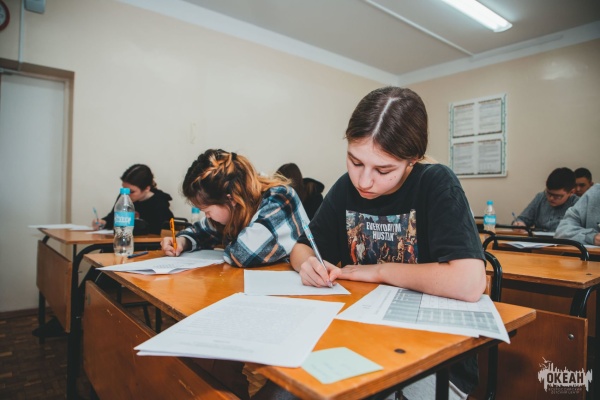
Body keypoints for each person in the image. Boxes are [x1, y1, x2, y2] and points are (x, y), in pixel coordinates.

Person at [287, 86, 486, 400]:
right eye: (355, 162)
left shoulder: (436, 183)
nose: (364, 181)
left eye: (383, 170)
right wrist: (307, 264)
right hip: (360, 339)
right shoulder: (345, 188)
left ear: (412, 160)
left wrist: (380, 271)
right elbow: (301, 247)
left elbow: (470, 282)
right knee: (286, 388)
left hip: (435, 356)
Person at [160, 149, 307, 399]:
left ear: (230, 199)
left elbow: (244, 253)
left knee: (239, 366)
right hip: (254, 301)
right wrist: (182, 242)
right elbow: (202, 230)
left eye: (207, 210)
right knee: (204, 356)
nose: (207, 216)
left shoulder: (280, 197)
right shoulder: (234, 210)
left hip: (293, 310)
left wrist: (223, 240)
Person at [93, 164, 174, 235]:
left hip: (147, 245)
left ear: (147, 188)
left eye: (131, 191)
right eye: (124, 189)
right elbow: (113, 218)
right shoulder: (123, 197)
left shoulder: (159, 203)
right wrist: (103, 222)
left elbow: (164, 230)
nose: (126, 195)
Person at [512, 167, 579, 232]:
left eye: (557, 196)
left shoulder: (577, 204)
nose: (551, 198)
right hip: (538, 239)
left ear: (571, 192)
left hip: (563, 239)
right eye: (548, 193)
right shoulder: (541, 197)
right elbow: (522, 219)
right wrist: (519, 224)